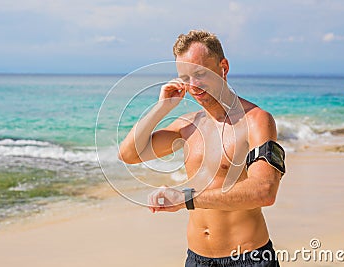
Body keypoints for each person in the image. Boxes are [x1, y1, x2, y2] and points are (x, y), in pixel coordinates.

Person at [118, 30, 284, 267]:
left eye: (200, 74)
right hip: (197, 259)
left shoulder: (256, 121)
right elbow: (128, 154)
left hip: (248, 258)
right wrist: (162, 108)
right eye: (185, 78)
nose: (193, 86)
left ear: (223, 67)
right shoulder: (188, 126)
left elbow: (265, 191)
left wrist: (185, 199)